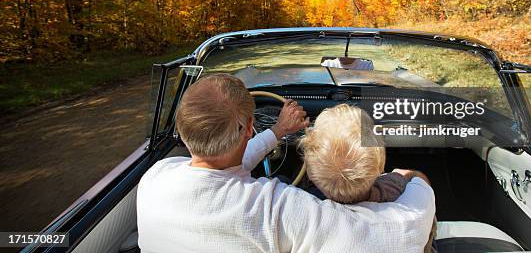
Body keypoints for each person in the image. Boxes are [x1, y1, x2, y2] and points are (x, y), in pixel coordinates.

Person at [137, 73, 435, 253]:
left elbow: (221, 167)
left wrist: (277, 132)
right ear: (249, 127)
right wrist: (415, 179)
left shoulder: (155, 178)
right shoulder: (276, 208)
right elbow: (393, 235)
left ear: (185, 131)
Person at [299, 104, 437, 253]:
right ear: (380, 164)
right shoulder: (412, 207)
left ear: (310, 173)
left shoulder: (302, 213)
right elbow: (420, 180)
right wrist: (399, 174)